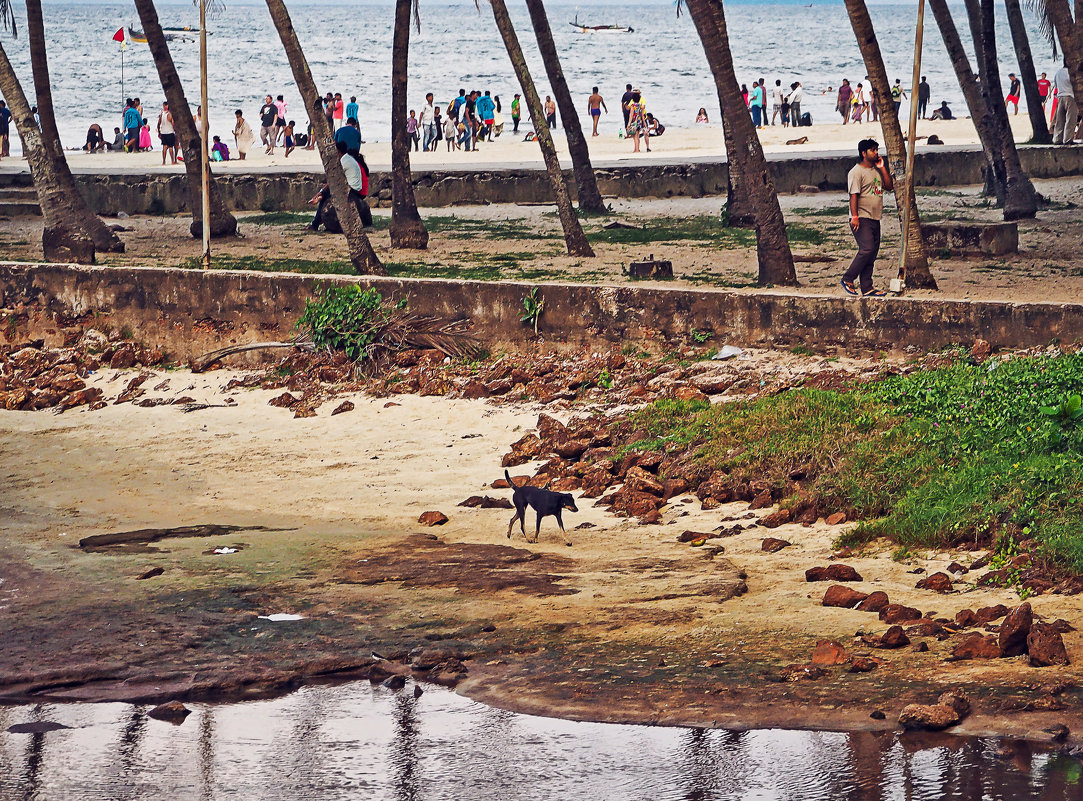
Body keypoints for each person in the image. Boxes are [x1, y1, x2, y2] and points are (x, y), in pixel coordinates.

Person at [841, 138, 893, 298]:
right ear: (864, 153)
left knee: (872, 253)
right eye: (872, 150)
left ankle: (867, 287)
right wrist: (854, 216)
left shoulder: (875, 171)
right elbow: (853, 195)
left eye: (876, 149)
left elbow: (888, 186)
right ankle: (848, 279)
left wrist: (883, 168)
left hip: (875, 217)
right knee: (867, 249)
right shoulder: (856, 172)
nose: (876, 152)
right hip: (862, 217)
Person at [309, 140, 373, 232]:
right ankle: (316, 221)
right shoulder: (348, 159)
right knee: (326, 194)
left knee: (325, 195)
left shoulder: (343, 161)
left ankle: (315, 224)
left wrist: (321, 193)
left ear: (337, 151)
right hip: (354, 189)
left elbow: (332, 181)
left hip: (353, 190)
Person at [1052, 62, 1077, 144]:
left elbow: (1055, 84)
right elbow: (1073, 83)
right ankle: (1068, 139)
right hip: (1070, 96)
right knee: (1070, 119)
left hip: (1060, 96)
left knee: (1060, 120)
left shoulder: (1058, 72)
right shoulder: (1070, 73)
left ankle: (1057, 138)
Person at [625, 88, 649, 153]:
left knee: (635, 136)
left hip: (634, 121)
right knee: (637, 135)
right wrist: (644, 123)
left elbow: (631, 115)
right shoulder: (640, 106)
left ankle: (637, 150)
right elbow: (642, 115)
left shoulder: (633, 106)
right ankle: (637, 149)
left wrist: (629, 124)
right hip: (639, 121)